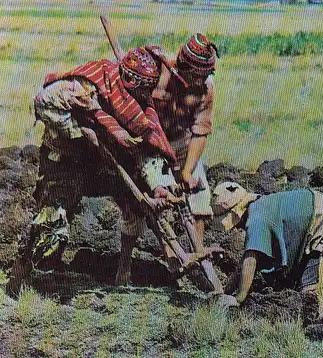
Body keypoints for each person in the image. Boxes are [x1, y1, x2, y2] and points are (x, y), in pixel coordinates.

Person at [5, 46, 212, 296]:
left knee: (139, 200)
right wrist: (80, 131)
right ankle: (17, 281)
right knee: (51, 223)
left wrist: (159, 187)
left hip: (106, 162)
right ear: (129, 80)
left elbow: (145, 151)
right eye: (143, 89)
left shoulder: (138, 107)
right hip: (66, 159)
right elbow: (42, 103)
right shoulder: (82, 87)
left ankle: (153, 266)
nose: (148, 95)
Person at [140, 34, 223, 293]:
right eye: (196, 76)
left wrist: (187, 170)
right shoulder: (159, 74)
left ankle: (198, 258)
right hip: (152, 146)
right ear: (183, 67)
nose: (200, 82)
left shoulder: (206, 89)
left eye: (204, 76)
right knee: (161, 200)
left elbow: (200, 131)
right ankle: (172, 258)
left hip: (183, 145)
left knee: (198, 196)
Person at [212, 182, 323, 323]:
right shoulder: (261, 206)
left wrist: (238, 299)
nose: (237, 229)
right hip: (319, 224)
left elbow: (250, 260)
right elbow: (246, 261)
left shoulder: (256, 217)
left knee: (320, 295)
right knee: (307, 293)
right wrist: (226, 291)